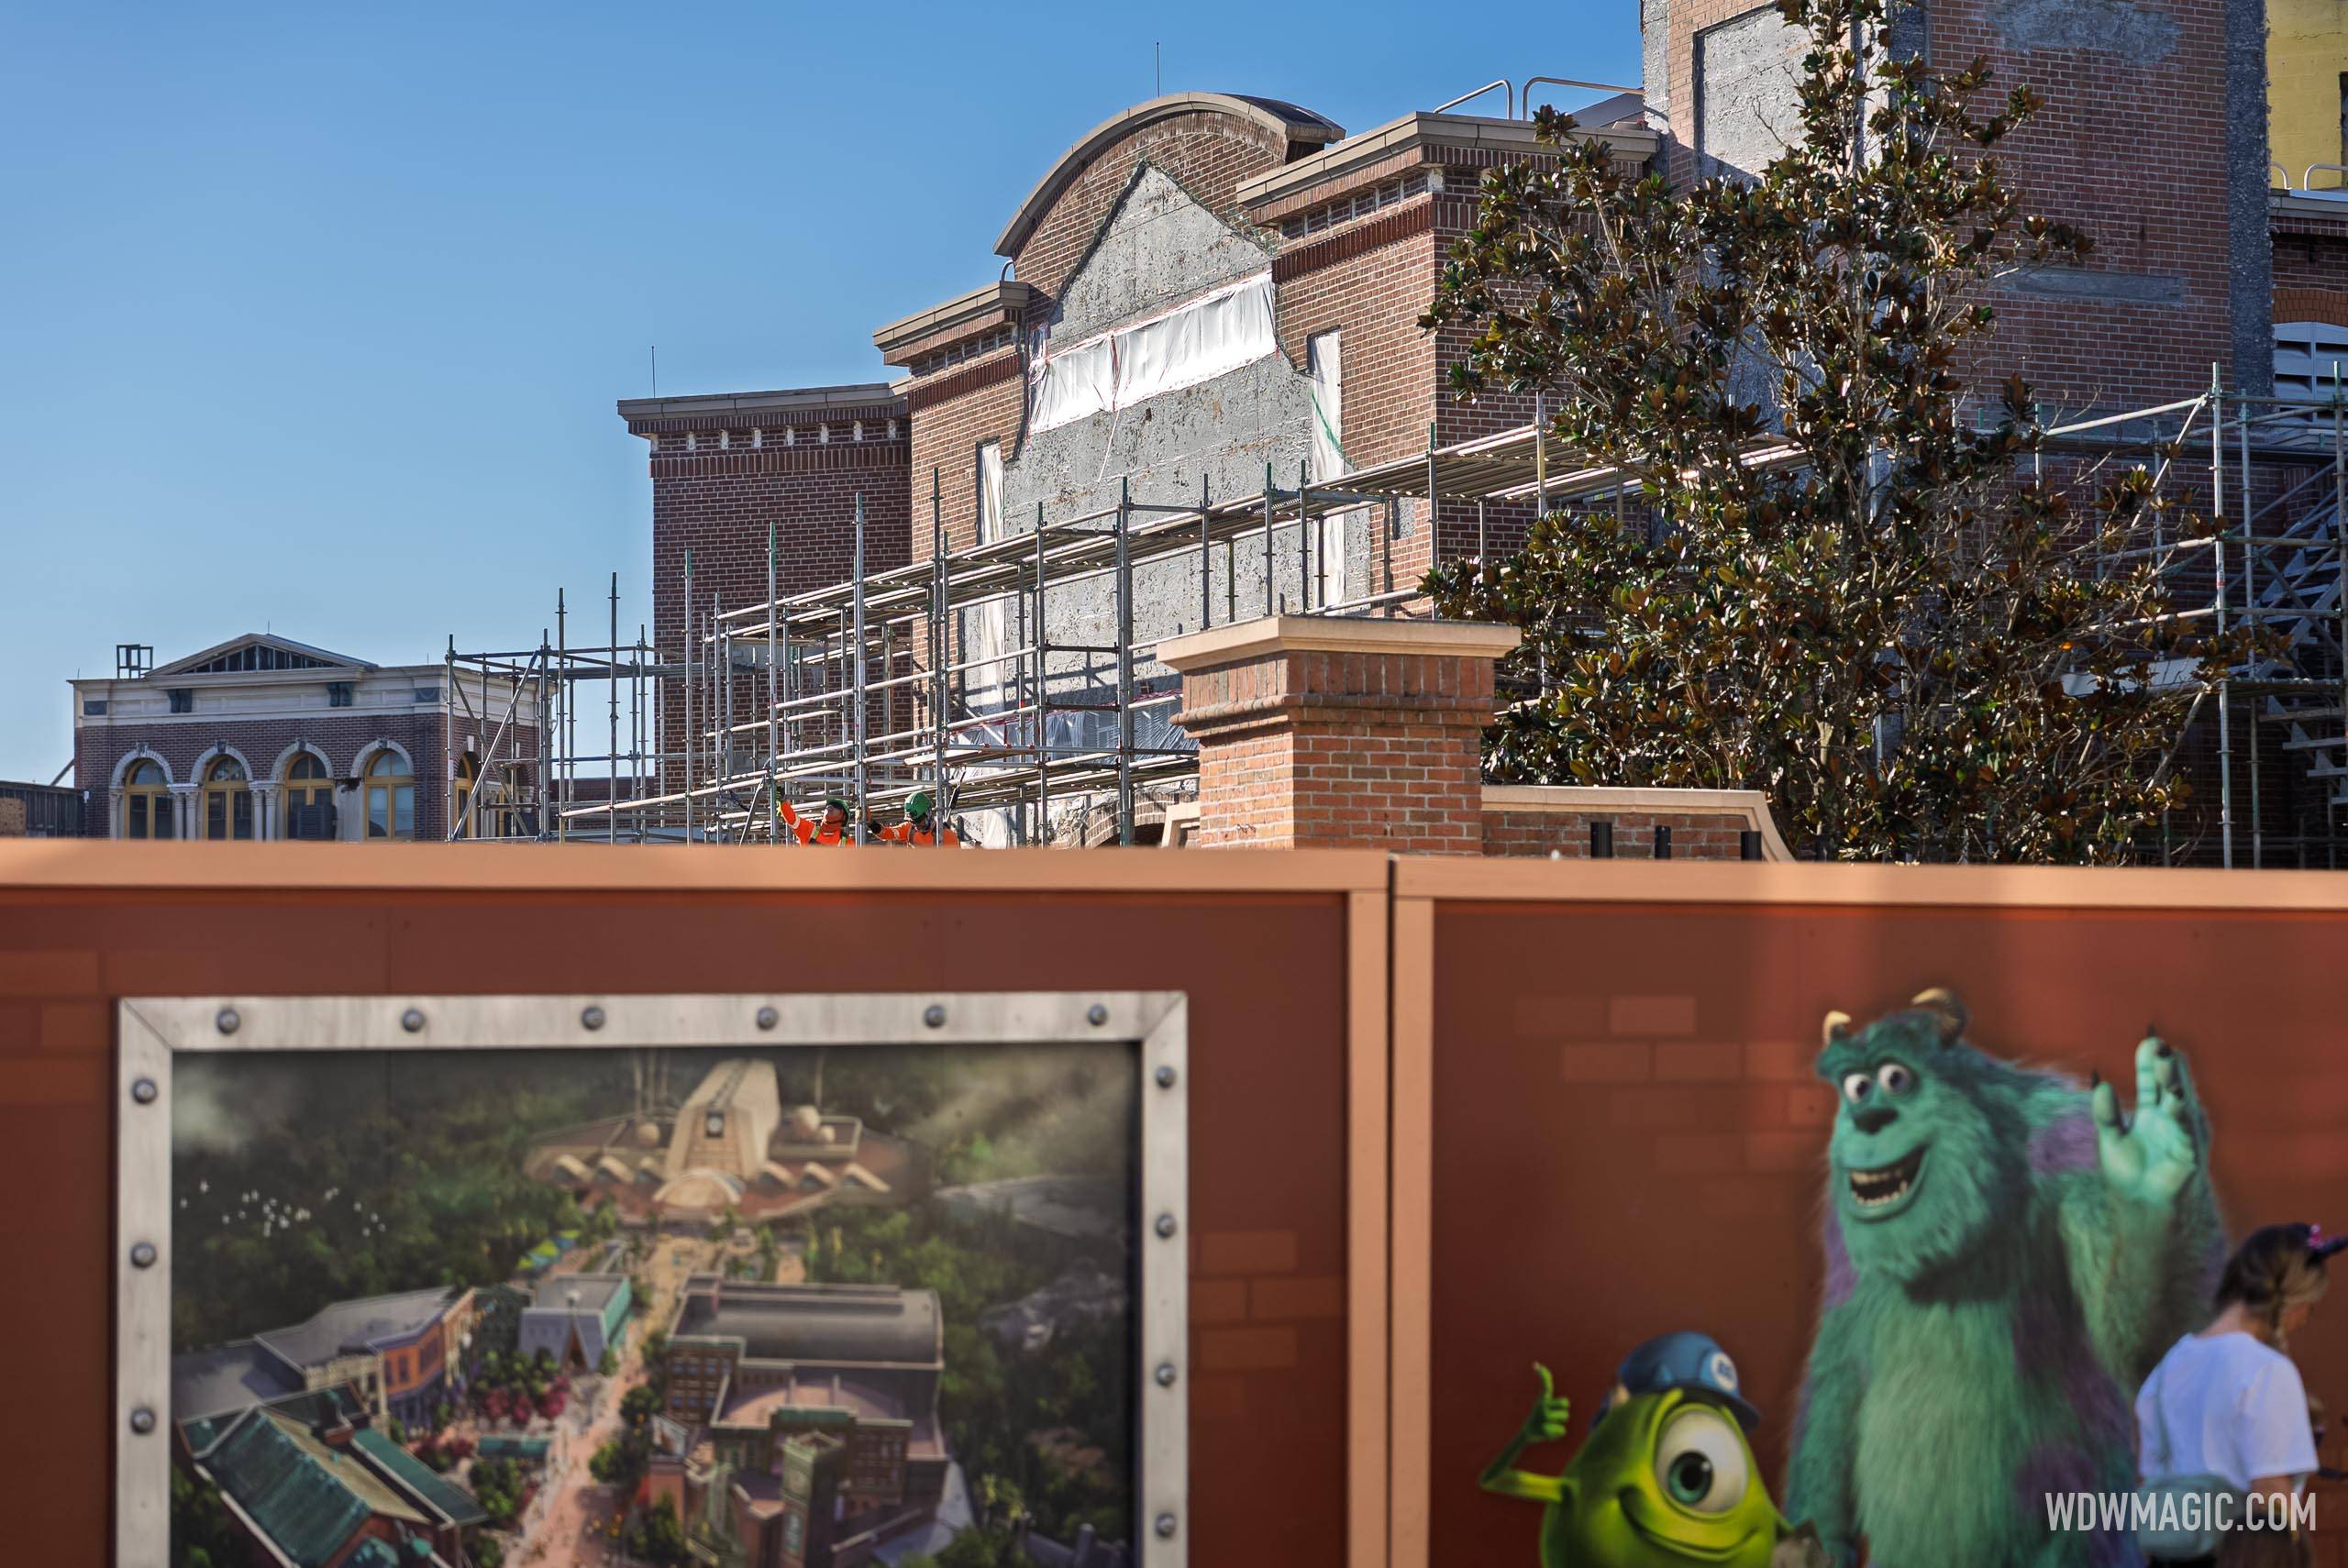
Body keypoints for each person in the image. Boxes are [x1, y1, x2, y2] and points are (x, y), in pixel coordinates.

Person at [2137, 1222, 2341, 1566]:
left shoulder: (2167, 1369)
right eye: (2309, 1304)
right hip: (2242, 1557)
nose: (2307, 1317)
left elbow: (2149, 1484)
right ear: (2290, 1300)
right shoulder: (2266, 1370)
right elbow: (2272, 1496)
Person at [878, 790, 960, 847]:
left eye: (918, 820)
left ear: (928, 814)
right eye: (913, 821)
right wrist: (871, 823)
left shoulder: (947, 836)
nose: (916, 825)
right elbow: (885, 833)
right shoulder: (909, 829)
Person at [775, 793, 855, 845]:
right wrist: (782, 802)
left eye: (836, 806)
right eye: (829, 805)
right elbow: (792, 819)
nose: (830, 807)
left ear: (843, 817)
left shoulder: (846, 842)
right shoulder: (810, 829)